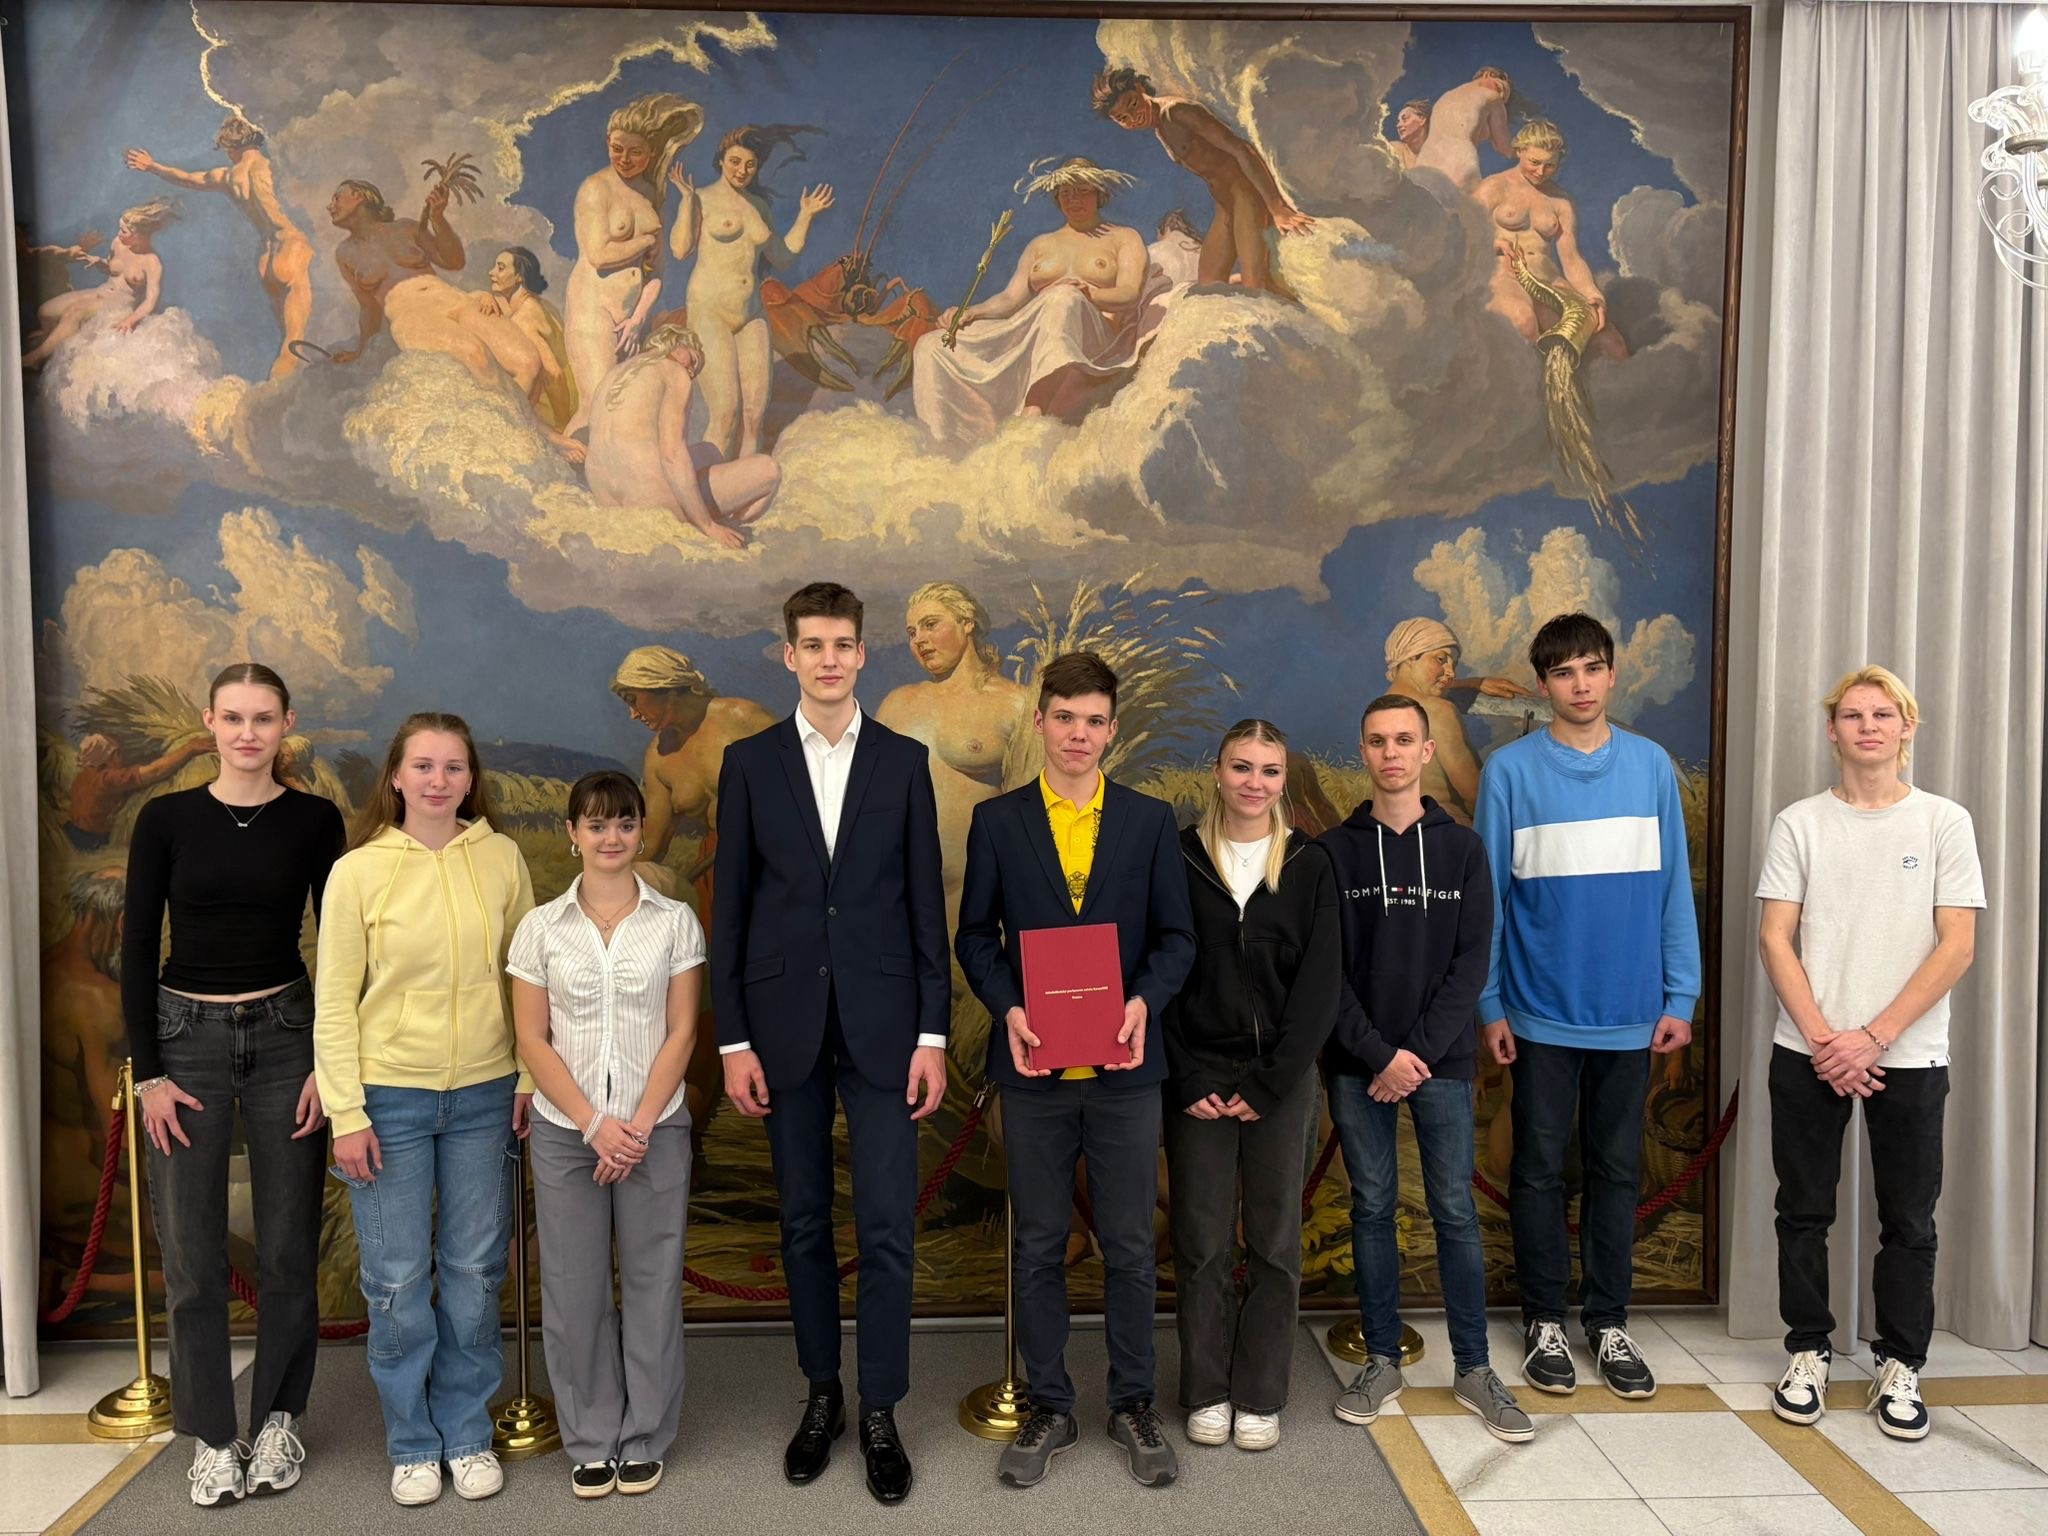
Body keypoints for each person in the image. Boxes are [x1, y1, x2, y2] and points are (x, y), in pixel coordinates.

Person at [710, 582, 949, 1506]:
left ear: (861, 653)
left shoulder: (903, 761)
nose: (828, 659)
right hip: (782, 1028)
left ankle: (881, 1406)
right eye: (812, 645)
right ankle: (824, 1396)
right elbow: (732, 911)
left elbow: (925, 904)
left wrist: (933, 1032)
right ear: (789, 655)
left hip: (888, 1026)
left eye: (842, 644)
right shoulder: (748, 764)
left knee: (888, 1229)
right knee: (804, 1223)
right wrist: (733, 1039)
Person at [956, 650, 1196, 1490]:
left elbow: (1177, 938)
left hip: (1126, 1070)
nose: (1078, 734)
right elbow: (974, 938)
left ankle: (1133, 1403)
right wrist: (1009, 1007)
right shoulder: (999, 821)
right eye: (1065, 718)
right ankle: (1050, 1404)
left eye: (1094, 721)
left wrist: (1144, 1002)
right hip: (1034, 1071)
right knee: (1037, 1245)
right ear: (1041, 721)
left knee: (1129, 1246)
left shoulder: (1149, 820)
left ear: (1112, 730)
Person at [121, 664, 345, 1507]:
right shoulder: (165, 819)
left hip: (289, 1038)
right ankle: (215, 1438)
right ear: (209, 724)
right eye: (233, 717)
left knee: (288, 1247)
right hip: (186, 1043)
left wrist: (329, 1061)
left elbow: (341, 947)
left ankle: (280, 1417)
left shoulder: (315, 820)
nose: (248, 733)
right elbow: (136, 951)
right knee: (191, 1254)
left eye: (263, 718)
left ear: (287, 723)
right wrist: (149, 1073)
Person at [314, 712, 535, 1507]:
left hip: (485, 1096)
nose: (439, 780)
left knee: (474, 1275)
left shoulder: (502, 858)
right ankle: (412, 1442)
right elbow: (334, 1003)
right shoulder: (358, 871)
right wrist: (346, 1113)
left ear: (471, 779)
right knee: (398, 1281)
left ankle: (467, 1433)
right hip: (388, 1102)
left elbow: (525, 981)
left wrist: (527, 1078)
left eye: (453, 767)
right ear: (397, 777)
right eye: (424, 766)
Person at [1476, 612, 1699, 1400]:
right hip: (1538, 1010)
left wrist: (1681, 994)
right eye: (1564, 672)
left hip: (1632, 1011)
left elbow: (1673, 890)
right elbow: (1490, 899)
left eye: (1592, 668)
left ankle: (1608, 1321)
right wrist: (1490, 1002)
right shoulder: (1508, 772)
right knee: (1538, 1169)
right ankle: (1544, 1320)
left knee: (1616, 1169)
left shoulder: (1650, 766)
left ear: (1612, 673)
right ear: (1543, 685)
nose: (1580, 684)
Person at [1757, 666, 1982, 1441]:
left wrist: (1873, 1037)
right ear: (1833, 731)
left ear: (1907, 727)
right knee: (1802, 1211)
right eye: (1853, 715)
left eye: (1883, 715)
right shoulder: (1800, 823)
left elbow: (1957, 945)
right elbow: (1774, 937)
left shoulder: (1944, 822)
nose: (1868, 727)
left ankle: (1900, 1363)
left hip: (1908, 1055)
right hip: (1808, 1052)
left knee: (1909, 1220)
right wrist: (1827, 1040)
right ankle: (1808, 1350)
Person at [1320, 693, 1531, 1444]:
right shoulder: (1332, 851)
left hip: (1440, 1062)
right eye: (1378, 741)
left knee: (1453, 1210)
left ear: (1428, 749)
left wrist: (1414, 1057)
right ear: (1364, 751)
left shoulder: (1463, 850)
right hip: (1358, 1062)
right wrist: (1380, 1054)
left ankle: (1474, 1368)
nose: (1392, 753)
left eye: (1405, 740)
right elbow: (1325, 969)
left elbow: (1473, 962)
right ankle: (1381, 1361)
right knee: (1372, 1206)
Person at [509, 771, 704, 1497]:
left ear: (641, 830)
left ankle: (645, 1433)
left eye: (624, 823)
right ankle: (591, 1436)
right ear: (573, 834)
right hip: (569, 1133)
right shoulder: (541, 928)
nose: (611, 837)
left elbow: (683, 1031)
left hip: (656, 1129)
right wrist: (595, 1126)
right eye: (596, 824)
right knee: (573, 1288)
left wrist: (638, 1127)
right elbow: (532, 1039)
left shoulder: (675, 922)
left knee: (653, 1284)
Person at [1161, 719, 1340, 1453]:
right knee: (1202, 1241)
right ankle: (1206, 1388)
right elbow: (1158, 971)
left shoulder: (1310, 864)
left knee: (1272, 1242)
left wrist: (1270, 1084)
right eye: (1241, 767)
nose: (1254, 783)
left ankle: (1260, 1393)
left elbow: (1321, 989)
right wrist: (1188, 1073)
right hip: (1197, 1079)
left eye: (1269, 770)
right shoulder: (1177, 856)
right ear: (1217, 771)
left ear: (1283, 779)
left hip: (1280, 1083)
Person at [609, 646, 774, 1139]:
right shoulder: (659, 756)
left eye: (637, 700)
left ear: (667, 689)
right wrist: (613, 885)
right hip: (715, 873)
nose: (633, 714)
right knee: (709, 986)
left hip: (776, 864)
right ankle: (696, 1111)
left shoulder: (742, 719)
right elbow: (653, 842)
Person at [911, 157, 1172, 446]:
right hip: (1038, 326)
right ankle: (942, 443)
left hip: (1098, 337)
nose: (1073, 200)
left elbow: (1129, 293)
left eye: (1082, 191)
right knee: (932, 346)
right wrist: (970, 311)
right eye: (1066, 193)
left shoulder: (1123, 238)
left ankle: (1034, 408)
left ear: (1099, 194)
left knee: (1062, 297)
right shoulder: (1040, 244)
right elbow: (1011, 299)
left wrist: (1090, 294)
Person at [874, 580, 1033, 924]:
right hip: (898, 902)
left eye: (931, 624)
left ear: (967, 622)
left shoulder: (1016, 704)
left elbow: (1036, 813)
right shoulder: (896, 705)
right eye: (912, 632)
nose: (919, 639)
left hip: (977, 902)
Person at [671, 124, 835, 457]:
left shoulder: (759, 206)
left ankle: (746, 485)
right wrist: (687, 201)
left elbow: (782, 257)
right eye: (735, 162)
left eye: (749, 165)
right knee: (726, 414)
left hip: (752, 314)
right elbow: (680, 249)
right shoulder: (701, 198)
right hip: (710, 311)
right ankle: (710, 483)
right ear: (721, 160)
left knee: (754, 416)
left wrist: (805, 215)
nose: (742, 170)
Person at [124, 113, 315, 380]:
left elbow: (187, 178)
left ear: (231, 145)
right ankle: (280, 393)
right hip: (290, 247)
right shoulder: (274, 168)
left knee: (287, 341)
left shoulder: (228, 177)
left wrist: (152, 166)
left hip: (267, 258)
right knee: (294, 345)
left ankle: (283, 390)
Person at [1093, 67, 1313, 295]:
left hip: (1246, 195)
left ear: (1140, 88)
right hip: (1225, 205)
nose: (1134, 117)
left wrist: (1277, 208)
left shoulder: (1177, 112)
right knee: (1209, 287)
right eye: (1123, 118)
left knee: (1257, 285)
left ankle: (1309, 314)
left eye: (1132, 104)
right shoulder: (1161, 127)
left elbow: (1240, 149)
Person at [583, 323, 781, 549]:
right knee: (770, 470)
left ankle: (713, 513)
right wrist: (708, 525)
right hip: (652, 501)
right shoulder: (673, 371)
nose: (691, 373)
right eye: (694, 362)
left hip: (608, 499)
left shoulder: (616, 373)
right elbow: (672, 456)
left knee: (709, 452)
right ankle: (725, 523)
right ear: (677, 346)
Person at [566, 93, 702, 407]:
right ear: (607, 143)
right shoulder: (595, 188)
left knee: (622, 406)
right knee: (597, 404)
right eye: (617, 149)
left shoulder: (651, 196)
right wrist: (645, 241)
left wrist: (639, 317)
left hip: (634, 318)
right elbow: (599, 255)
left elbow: (657, 272)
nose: (624, 159)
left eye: (635, 152)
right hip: (593, 310)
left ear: (651, 152)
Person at [1477, 121, 1627, 361]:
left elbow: (1572, 258)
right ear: (1520, 151)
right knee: (1523, 322)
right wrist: (1494, 244)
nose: (1540, 171)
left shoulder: (1561, 201)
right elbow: (1463, 233)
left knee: (1611, 343)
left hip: (1549, 281)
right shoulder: (1493, 187)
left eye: (1550, 165)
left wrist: (1593, 296)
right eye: (1534, 162)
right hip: (1504, 278)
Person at [1383, 617, 1539, 825]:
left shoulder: (1376, 712)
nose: (1451, 672)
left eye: (1453, 664)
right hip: (1444, 830)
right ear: (1411, 657)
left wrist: (1475, 683)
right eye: (1441, 659)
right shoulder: (1438, 711)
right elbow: (1475, 792)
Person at [22, 198, 178, 371]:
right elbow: (111, 270)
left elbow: (151, 301)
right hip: (101, 292)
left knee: (74, 313)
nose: (119, 234)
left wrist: (131, 320)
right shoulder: (118, 243)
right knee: (45, 312)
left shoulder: (152, 262)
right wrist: (98, 262)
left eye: (124, 231)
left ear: (139, 235)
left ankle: (34, 359)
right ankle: (49, 341)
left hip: (119, 305)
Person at [325, 177, 466, 365]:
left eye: (336, 198)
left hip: (447, 303)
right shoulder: (344, 253)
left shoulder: (406, 228)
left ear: (358, 196)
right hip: (410, 323)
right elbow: (369, 309)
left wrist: (438, 218)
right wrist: (361, 352)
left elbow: (454, 262)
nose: (330, 206)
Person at [64, 729, 216, 851]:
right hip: (90, 840)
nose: (122, 758)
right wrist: (189, 748)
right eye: (117, 753)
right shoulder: (107, 779)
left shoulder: (83, 777)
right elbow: (154, 771)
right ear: (107, 757)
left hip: (72, 832)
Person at [480, 246, 577, 430]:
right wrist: (485, 296)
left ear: (519, 276)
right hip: (563, 397)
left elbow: (554, 374)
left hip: (556, 408)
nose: (491, 272)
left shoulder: (525, 317)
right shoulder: (535, 303)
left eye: (500, 268)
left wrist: (562, 424)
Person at [1414, 67, 1514, 192]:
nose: (1501, 96)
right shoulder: (1492, 96)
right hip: (1458, 163)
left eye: (1503, 99)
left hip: (1424, 162)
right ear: (1488, 74)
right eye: (1500, 89)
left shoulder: (1446, 96)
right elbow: (1504, 147)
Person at [1390, 98, 1432, 169]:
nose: (1398, 125)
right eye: (1398, 121)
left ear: (1422, 119)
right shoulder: (1393, 150)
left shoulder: (1439, 153)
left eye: (1405, 119)